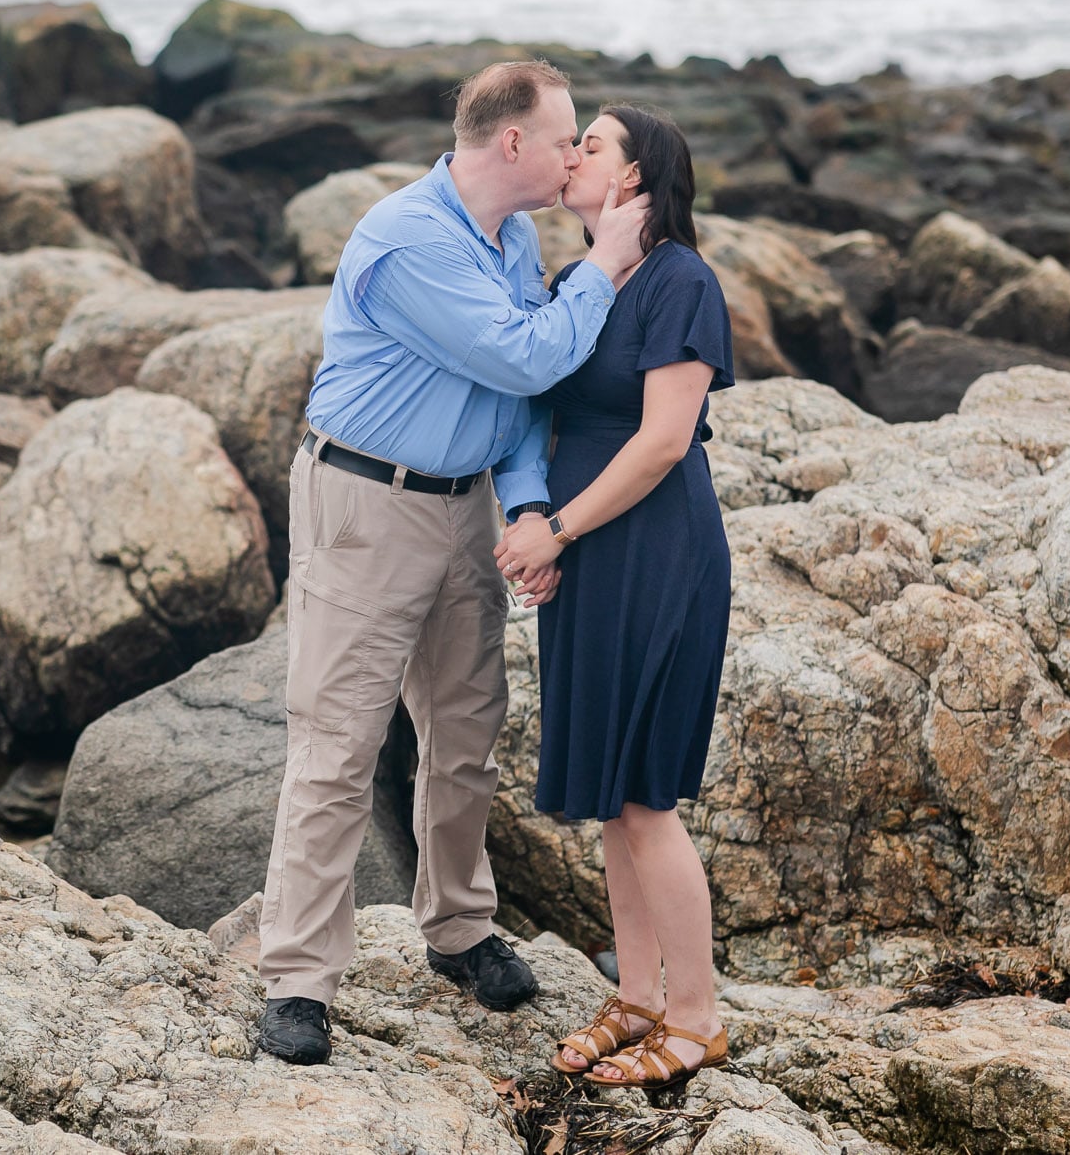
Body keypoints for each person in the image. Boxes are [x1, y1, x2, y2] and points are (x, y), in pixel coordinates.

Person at [255, 60, 650, 1066]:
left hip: (465, 505)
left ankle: (459, 928)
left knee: (466, 730)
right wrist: (604, 263)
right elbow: (524, 358)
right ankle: (298, 979)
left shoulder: (511, 234)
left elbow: (515, 408)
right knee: (338, 744)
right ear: (512, 143)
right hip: (364, 503)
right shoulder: (407, 238)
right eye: (565, 139)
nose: (574, 157)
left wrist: (523, 503)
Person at [492, 104, 736, 1090]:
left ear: (633, 179)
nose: (569, 154)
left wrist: (560, 527)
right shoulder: (578, 282)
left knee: (643, 797)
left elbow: (662, 440)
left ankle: (696, 1015)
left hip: (656, 547)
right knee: (605, 795)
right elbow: (539, 411)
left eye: (589, 144)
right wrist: (537, 519)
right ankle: (635, 995)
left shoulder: (681, 279)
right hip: (590, 546)